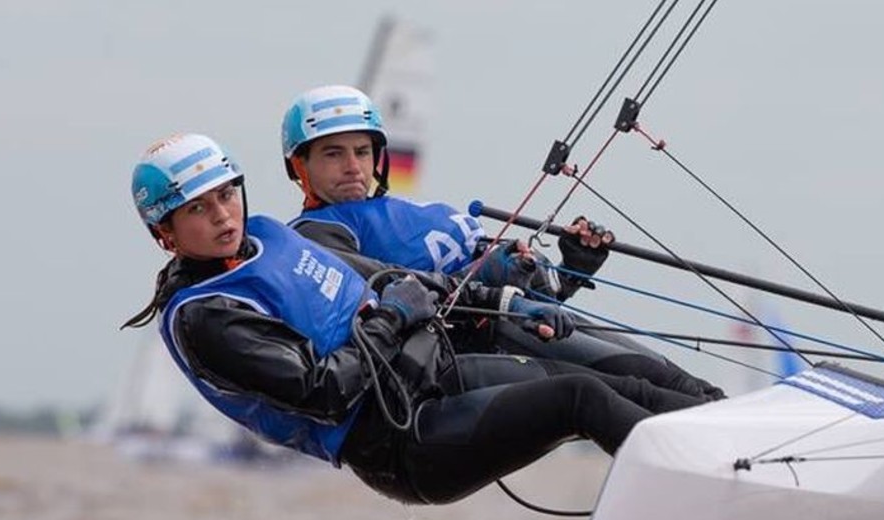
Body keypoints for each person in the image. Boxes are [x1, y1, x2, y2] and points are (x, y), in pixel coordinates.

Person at [123, 133, 702, 505]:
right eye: (197, 210)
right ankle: (712, 487)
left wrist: (505, 290)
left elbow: (395, 283)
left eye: (226, 195)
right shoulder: (207, 316)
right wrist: (390, 318)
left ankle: (736, 442)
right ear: (163, 234)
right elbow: (322, 391)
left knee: (617, 388)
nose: (222, 216)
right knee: (582, 399)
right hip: (402, 440)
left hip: (439, 372)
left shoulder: (268, 235)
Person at [278, 84, 725, 401]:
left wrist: (570, 267)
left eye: (361, 151)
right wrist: (483, 275)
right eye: (333, 154)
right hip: (475, 345)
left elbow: (535, 291)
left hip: (523, 321)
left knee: (666, 373)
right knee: (642, 380)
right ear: (301, 165)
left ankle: (733, 418)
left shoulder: (419, 212)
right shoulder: (318, 234)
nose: (353, 166)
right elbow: (380, 300)